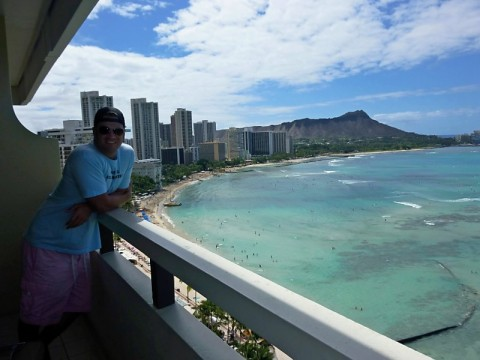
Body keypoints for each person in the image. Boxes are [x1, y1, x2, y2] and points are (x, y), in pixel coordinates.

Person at [14, 107, 135, 359]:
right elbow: (111, 200)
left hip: (81, 245)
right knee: (35, 310)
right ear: (94, 132)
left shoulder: (127, 154)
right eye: (104, 130)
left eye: (117, 130)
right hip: (50, 243)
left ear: (124, 133)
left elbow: (125, 193)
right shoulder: (84, 156)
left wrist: (92, 206)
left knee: (77, 306)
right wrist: (97, 204)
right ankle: (25, 350)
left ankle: (38, 345)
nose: (111, 135)